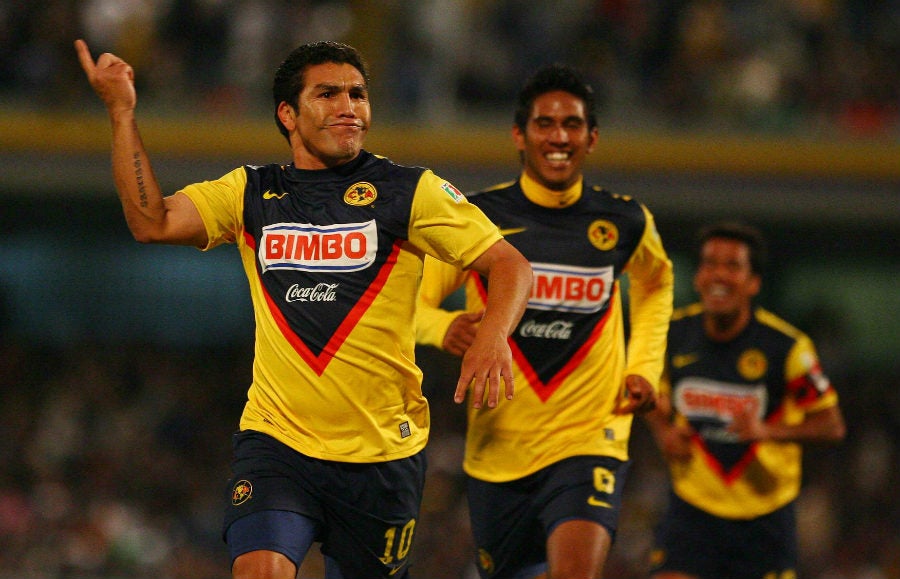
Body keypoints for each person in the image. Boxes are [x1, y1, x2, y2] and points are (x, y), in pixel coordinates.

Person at [74, 38, 533, 579]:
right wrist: (122, 111)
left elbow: (510, 265)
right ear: (287, 114)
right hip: (278, 442)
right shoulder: (249, 191)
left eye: (358, 94)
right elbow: (152, 221)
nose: (349, 107)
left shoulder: (411, 191)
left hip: (382, 454)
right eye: (328, 94)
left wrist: (494, 335)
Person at [416, 63, 674, 579]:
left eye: (572, 124)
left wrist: (643, 365)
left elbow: (655, 283)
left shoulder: (624, 221)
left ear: (592, 137)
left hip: (590, 437)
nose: (559, 137)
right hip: (498, 446)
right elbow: (408, 304)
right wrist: (440, 329)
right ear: (519, 134)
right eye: (545, 124)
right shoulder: (476, 218)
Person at [643, 221, 846, 579]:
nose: (719, 275)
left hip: (764, 518)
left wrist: (767, 431)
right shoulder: (672, 334)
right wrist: (662, 432)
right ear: (698, 277)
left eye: (732, 266)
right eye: (710, 263)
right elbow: (646, 392)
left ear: (754, 283)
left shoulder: (787, 347)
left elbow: (831, 425)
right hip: (693, 509)